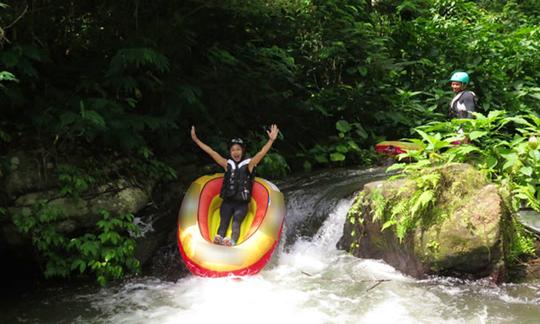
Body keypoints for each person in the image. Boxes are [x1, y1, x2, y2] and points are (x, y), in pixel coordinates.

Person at [191, 124, 280, 246]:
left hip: (241, 204)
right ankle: (219, 237)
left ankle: (232, 240)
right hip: (227, 202)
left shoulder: (249, 164)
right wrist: (196, 140)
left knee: (236, 222)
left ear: (242, 151)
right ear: (230, 152)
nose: (236, 152)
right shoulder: (226, 164)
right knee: (224, 221)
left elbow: (261, 153)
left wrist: (271, 140)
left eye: (238, 149)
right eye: (233, 150)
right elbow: (211, 152)